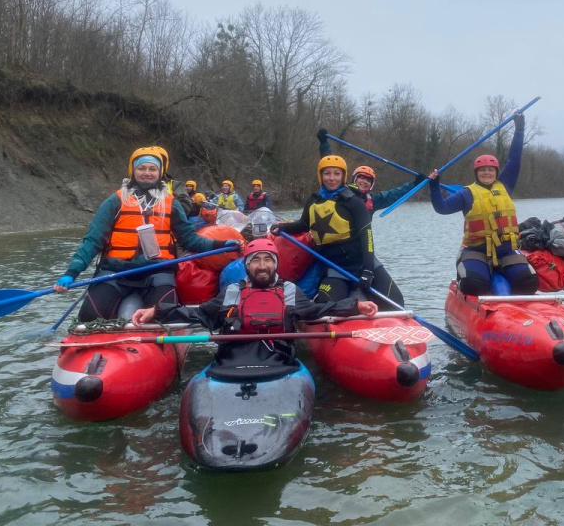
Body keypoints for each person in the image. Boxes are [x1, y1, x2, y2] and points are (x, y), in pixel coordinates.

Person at [132, 238, 377, 376]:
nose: (262, 266)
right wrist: (157, 311)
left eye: (268, 260)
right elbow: (197, 313)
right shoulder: (232, 292)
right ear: (247, 266)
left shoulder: (289, 290)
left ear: (275, 265)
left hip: (279, 363)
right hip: (229, 364)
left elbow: (321, 311)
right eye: (256, 260)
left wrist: (356, 305)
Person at [52, 147, 241, 321]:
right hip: (116, 271)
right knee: (88, 316)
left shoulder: (171, 202)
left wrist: (220, 246)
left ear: (160, 173)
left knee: (163, 315)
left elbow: (190, 240)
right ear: (133, 171)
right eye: (142, 168)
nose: (147, 173)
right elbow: (93, 240)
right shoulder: (115, 200)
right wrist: (72, 272)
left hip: (158, 271)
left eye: (152, 169)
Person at [428, 113, 538, 296]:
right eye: (482, 170)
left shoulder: (506, 185)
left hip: (506, 250)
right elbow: (442, 208)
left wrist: (519, 129)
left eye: (490, 170)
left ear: (496, 172)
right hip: (476, 251)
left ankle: (507, 285)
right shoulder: (466, 193)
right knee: (473, 285)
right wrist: (434, 186)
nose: (487, 173)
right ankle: (477, 277)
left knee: (529, 283)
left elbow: (514, 158)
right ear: (476, 173)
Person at [274, 155, 405, 307]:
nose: (332, 178)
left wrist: (368, 271)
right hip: (335, 267)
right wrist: (282, 227)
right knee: (325, 305)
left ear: (343, 176)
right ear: (320, 176)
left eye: (337, 174)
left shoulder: (354, 202)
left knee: (396, 301)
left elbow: (367, 237)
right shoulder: (313, 200)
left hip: (362, 263)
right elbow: (304, 224)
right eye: (327, 173)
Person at [317, 128, 425, 214]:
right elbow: (329, 165)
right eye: (361, 178)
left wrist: (415, 184)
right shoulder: (341, 190)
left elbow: (394, 194)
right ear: (354, 179)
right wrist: (324, 144)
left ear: (371, 185)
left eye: (368, 180)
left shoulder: (373, 200)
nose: (364, 181)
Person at [149, 145, 196, 217]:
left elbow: (185, 207)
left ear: (165, 165)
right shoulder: (131, 185)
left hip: (166, 223)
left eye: (160, 162)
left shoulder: (176, 185)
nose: (156, 165)